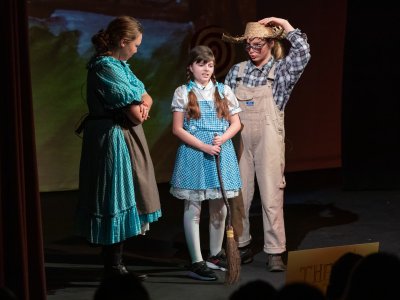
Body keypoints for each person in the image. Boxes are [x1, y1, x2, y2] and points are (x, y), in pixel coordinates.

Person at [75, 15, 162, 280]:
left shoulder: (120, 66)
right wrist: (139, 107)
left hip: (121, 135)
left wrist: (141, 104)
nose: (137, 49)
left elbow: (146, 96)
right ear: (123, 42)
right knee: (115, 196)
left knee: (124, 194)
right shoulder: (106, 67)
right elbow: (136, 114)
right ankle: (113, 267)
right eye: (135, 44)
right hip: (111, 138)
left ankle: (116, 264)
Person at [222, 17, 311, 271]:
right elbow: (224, 109)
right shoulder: (237, 72)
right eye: (248, 45)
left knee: (272, 194)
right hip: (240, 139)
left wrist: (284, 23)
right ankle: (241, 244)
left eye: (258, 45)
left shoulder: (280, 72)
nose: (252, 50)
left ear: (271, 43)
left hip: (268, 139)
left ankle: (274, 251)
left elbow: (303, 51)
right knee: (239, 194)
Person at [169, 45, 242, 281]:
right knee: (194, 207)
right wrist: (203, 146)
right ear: (191, 67)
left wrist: (224, 137)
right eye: (201, 64)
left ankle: (214, 254)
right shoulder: (183, 92)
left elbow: (236, 123)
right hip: (194, 152)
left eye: (210, 64)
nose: (207, 69)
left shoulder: (223, 91)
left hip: (220, 150)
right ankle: (197, 260)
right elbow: (177, 128)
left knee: (219, 207)